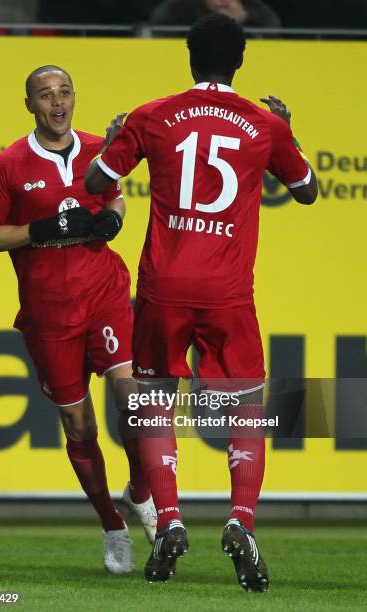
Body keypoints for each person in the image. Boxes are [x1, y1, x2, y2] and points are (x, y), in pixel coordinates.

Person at [85, 13, 317, 589]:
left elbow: (95, 184)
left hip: (164, 285)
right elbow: (307, 192)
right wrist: (287, 129)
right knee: (246, 409)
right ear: (240, 61)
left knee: (153, 403)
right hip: (228, 292)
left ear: (188, 57)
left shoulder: (153, 114)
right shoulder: (263, 123)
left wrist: (115, 141)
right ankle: (241, 519)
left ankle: (167, 521)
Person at [0, 65, 157, 574]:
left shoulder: (101, 147)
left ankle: (140, 491)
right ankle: (111, 526)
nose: (57, 102)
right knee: (79, 424)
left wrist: (114, 217)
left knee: (137, 403)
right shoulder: (8, 164)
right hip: (49, 314)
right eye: (45, 95)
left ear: (75, 98)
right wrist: (41, 228)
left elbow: (114, 192)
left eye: (64, 92)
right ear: (30, 104)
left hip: (105, 295)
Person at [150, 0, 281, 28]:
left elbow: (275, 33)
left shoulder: (255, 9)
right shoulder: (178, 7)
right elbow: (157, 32)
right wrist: (215, 20)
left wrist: (246, 18)